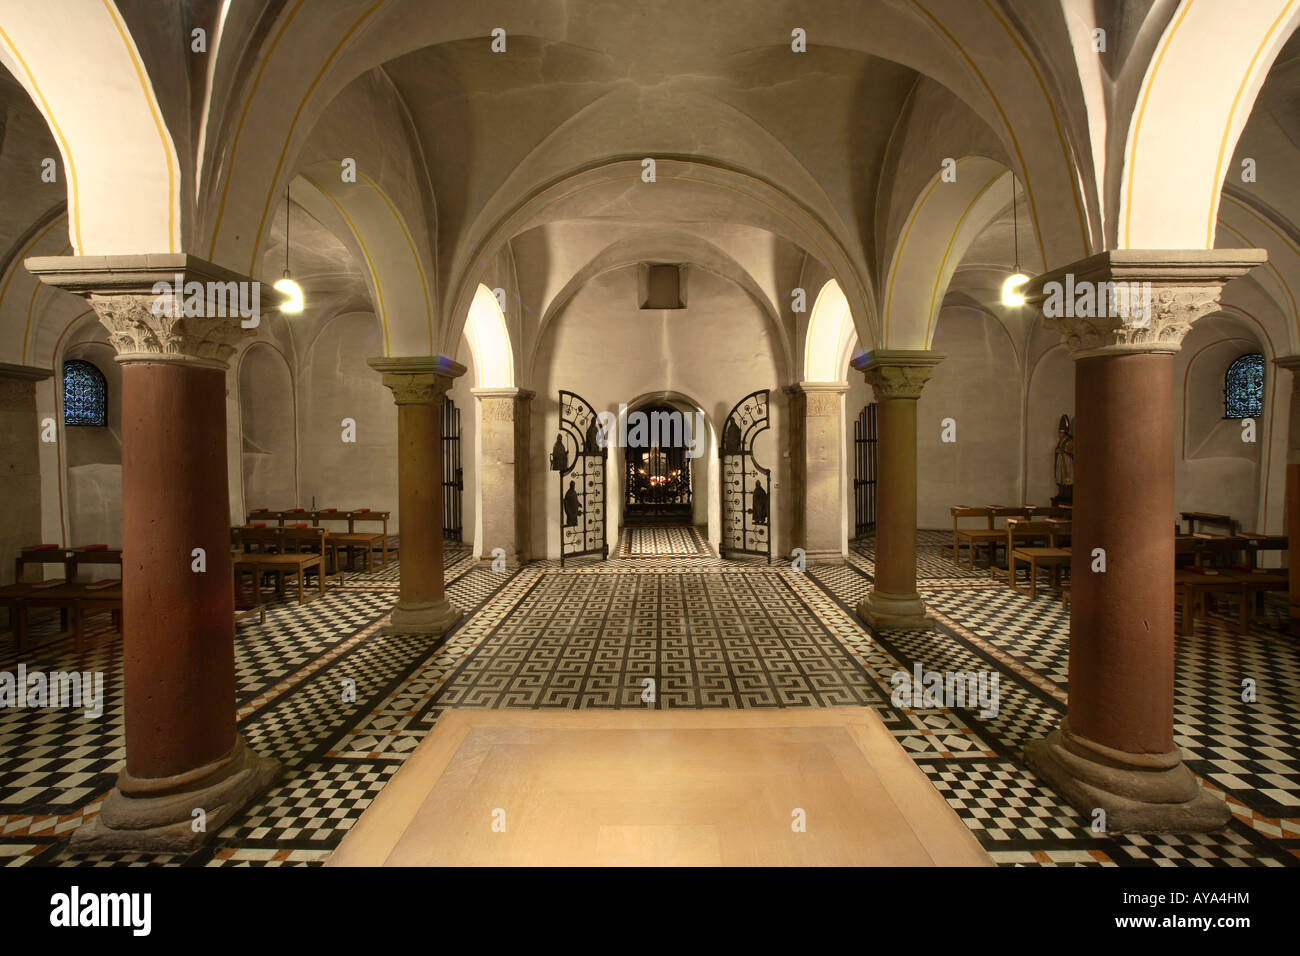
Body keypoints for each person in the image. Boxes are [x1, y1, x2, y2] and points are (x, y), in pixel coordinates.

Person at [1053, 414, 1074, 499]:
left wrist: (1064, 451)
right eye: (1059, 432)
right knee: (1060, 477)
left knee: (1067, 478)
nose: (1059, 434)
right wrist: (1057, 451)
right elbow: (1057, 449)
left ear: (1065, 433)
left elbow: (1072, 452)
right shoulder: (1060, 441)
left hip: (1067, 463)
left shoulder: (1070, 441)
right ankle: (1061, 492)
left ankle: (1068, 494)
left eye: (1061, 433)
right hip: (1061, 462)